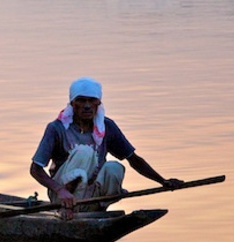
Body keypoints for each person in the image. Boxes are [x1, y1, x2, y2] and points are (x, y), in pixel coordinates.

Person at [30, 77, 181, 219]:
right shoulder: (57, 128)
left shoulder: (107, 127)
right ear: (72, 104)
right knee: (85, 152)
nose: (87, 106)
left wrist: (163, 181)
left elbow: (133, 159)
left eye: (92, 101)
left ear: (98, 103)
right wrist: (60, 190)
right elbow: (35, 169)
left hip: (92, 196)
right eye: (81, 101)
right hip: (62, 197)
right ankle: (67, 208)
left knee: (114, 167)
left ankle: (97, 209)